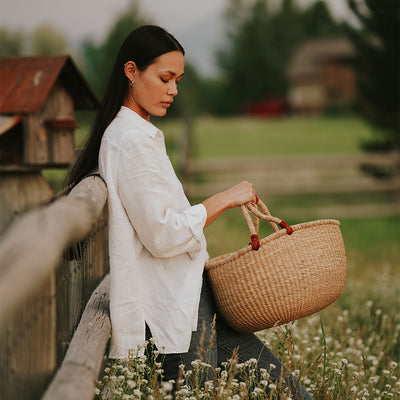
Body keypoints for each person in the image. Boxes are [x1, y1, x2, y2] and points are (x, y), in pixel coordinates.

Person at [66, 25, 312, 399]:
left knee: (288, 389)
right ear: (131, 72)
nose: (174, 90)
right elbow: (163, 235)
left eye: (177, 80)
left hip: (190, 294)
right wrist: (224, 198)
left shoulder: (140, 134)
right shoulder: (129, 140)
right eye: (165, 78)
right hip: (172, 311)